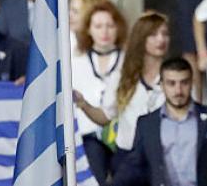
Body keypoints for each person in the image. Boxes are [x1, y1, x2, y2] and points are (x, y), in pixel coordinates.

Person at [113, 57, 207, 186]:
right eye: (171, 83)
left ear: (191, 83)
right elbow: (134, 166)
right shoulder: (147, 124)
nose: (178, 90)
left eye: (184, 83)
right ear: (161, 85)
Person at [73, 13, 170, 176]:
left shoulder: (175, 75)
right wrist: (84, 105)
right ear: (141, 38)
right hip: (128, 157)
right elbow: (105, 116)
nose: (161, 39)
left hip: (164, 156)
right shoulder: (122, 76)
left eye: (165, 34)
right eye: (153, 35)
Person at [68, 1, 126, 184]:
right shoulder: (75, 62)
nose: (105, 32)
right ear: (88, 30)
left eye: (110, 26)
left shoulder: (130, 61)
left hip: (123, 135)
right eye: (98, 26)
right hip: (88, 135)